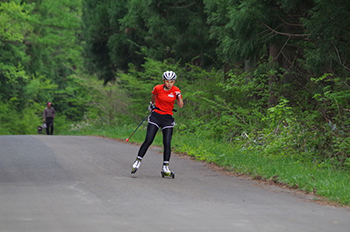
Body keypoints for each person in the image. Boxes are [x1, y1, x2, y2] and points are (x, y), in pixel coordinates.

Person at [131, 71, 184, 178]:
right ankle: (137, 161)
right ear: (164, 81)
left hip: (167, 118)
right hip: (156, 116)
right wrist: (152, 105)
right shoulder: (158, 88)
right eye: (167, 81)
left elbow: (180, 105)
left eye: (172, 81)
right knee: (149, 139)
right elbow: (154, 97)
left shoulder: (176, 91)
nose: (169, 84)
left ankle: (165, 167)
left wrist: (179, 97)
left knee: (167, 142)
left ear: (174, 81)